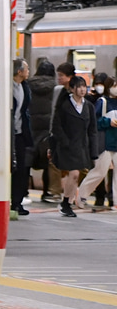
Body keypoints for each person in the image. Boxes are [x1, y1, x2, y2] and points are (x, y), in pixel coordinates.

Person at [51, 75, 101, 217]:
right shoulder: (64, 105)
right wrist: (64, 141)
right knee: (74, 174)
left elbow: (92, 131)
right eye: (78, 86)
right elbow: (56, 126)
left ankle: (67, 203)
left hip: (81, 146)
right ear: (72, 89)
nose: (82, 89)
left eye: (84, 86)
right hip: (67, 146)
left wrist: (94, 152)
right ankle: (66, 203)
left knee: (75, 176)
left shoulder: (88, 107)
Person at [78, 73, 117, 211]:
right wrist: (108, 122)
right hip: (104, 143)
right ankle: (81, 197)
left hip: (116, 143)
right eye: (114, 86)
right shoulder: (103, 102)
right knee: (99, 172)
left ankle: (115, 202)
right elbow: (93, 122)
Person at [27, 59, 58, 202]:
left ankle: (23, 191)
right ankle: (47, 192)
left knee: (27, 159)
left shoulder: (28, 84)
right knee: (48, 161)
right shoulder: (55, 87)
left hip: (30, 125)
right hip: (48, 127)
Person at [45, 61, 76, 201]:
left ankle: (74, 193)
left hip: (74, 135)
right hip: (59, 133)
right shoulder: (58, 91)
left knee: (77, 167)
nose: (59, 78)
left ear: (70, 77)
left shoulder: (77, 91)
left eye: (62, 75)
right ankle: (56, 192)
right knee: (54, 162)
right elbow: (54, 113)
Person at [11, 58, 32, 216]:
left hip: (20, 133)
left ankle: (17, 202)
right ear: (19, 72)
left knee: (21, 169)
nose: (28, 71)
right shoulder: (8, 87)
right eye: (27, 69)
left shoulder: (24, 87)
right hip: (8, 133)